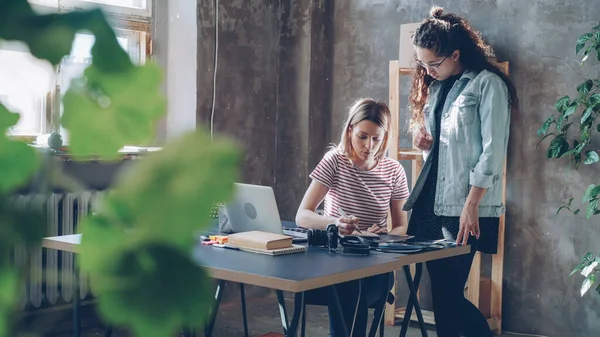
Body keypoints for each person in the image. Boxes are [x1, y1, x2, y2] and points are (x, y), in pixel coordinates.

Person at [402, 6, 519, 337]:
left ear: (456, 53)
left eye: (434, 63)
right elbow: (445, 151)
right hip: (431, 202)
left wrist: (472, 205)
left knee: (449, 297)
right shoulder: (438, 86)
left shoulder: (487, 85)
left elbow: (492, 153)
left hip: (465, 205)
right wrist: (424, 142)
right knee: (442, 296)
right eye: (422, 63)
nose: (427, 70)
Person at [295, 98, 410, 336]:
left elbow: (401, 227)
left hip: (374, 264)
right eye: (362, 136)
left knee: (354, 288)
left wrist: (383, 237)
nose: (369, 145)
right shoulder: (335, 161)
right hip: (334, 261)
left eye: (376, 138)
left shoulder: (394, 171)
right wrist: (336, 224)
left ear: (384, 137)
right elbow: (302, 216)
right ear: (350, 131)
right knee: (348, 286)